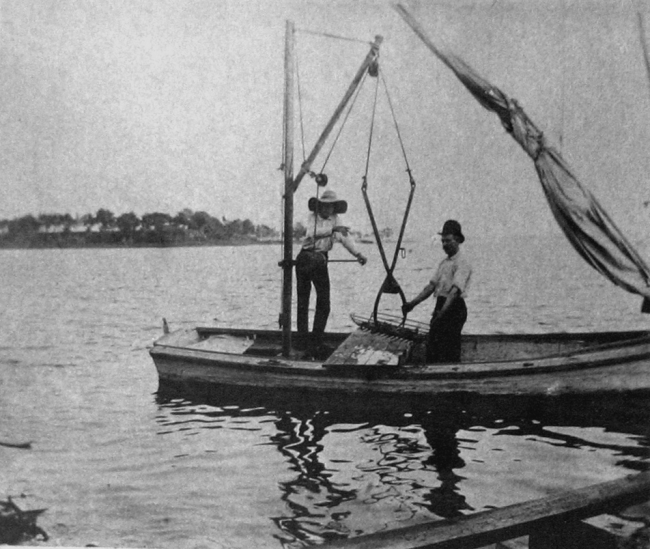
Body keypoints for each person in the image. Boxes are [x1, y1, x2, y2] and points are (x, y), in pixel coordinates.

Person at [296, 189, 367, 357]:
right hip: (305, 258)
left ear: (334, 208)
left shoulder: (336, 219)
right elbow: (311, 234)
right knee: (303, 302)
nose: (328, 209)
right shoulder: (312, 217)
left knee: (324, 303)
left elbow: (345, 239)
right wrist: (333, 229)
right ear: (320, 206)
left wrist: (358, 254)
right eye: (325, 206)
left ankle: (316, 341)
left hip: (320, 259)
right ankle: (302, 341)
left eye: (331, 206)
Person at [402, 220, 472, 363]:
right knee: (433, 343)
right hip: (442, 306)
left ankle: (451, 374)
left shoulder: (462, 262)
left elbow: (454, 292)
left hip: (454, 308)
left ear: (458, 240)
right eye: (443, 241)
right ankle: (432, 372)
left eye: (448, 241)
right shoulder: (444, 263)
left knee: (449, 346)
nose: (444, 245)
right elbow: (431, 287)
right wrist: (412, 304)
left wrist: (442, 313)